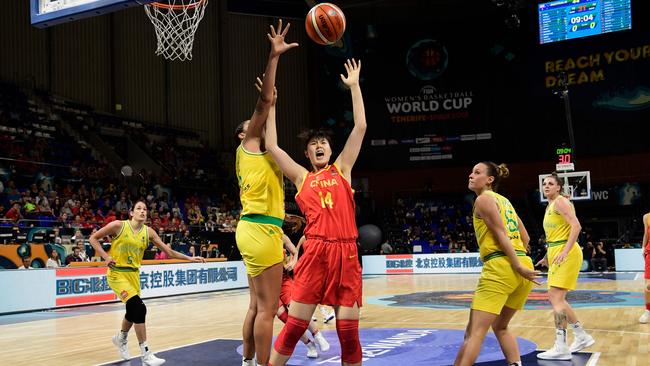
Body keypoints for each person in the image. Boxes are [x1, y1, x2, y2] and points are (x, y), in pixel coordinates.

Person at [267, 58, 366, 366]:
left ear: (330, 149)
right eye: (313, 144)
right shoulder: (302, 177)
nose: (319, 145)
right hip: (316, 254)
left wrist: (354, 87)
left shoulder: (343, 169)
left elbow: (360, 126)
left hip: (346, 254)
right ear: (307, 153)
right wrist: (270, 105)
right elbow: (272, 145)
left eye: (323, 142)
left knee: (348, 334)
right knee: (295, 326)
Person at [234, 19, 298, 366]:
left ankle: (246, 361)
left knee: (256, 305)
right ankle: (261, 364)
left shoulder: (252, 155)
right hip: (260, 231)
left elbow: (267, 108)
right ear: (244, 134)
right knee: (269, 310)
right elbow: (263, 102)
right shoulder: (250, 142)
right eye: (251, 124)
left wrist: (272, 104)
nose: (255, 122)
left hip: (254, 226)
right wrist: (273, 58)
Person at [89, 201, 205, 366]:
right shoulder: (118, 226)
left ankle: (120, 338)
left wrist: (190, 258)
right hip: (117, 274)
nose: (143, 211)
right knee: (139, 308)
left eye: (145, 209)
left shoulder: (149, 232)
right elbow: (93, 238)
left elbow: (169, 251)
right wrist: (106, 257)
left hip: (134, 275)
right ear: (131, 212)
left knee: (132, 310)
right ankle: (146, 354)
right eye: (139, 208)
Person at [454, 162, 538, 366]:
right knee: (500, 326)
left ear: (490, 179)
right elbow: (525, 237)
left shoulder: (483, 199)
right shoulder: (505, 201)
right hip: (522, 264)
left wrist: (515, 265)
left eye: (477, 172)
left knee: (473, 334)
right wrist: (520, 263)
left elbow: (501, 234)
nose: (471, 175)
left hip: (503, 265)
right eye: (471, 171)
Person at [535, 173, 594, 360]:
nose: (546, 186)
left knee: (555, 297)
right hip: (556, 251)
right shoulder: (550, 206)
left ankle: (561, 345)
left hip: (566, 252)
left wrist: (565, 251)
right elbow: (555, 235)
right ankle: (581, 336)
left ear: (559, 187)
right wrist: (546, 256)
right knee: (558, 298)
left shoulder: (561, 202)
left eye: (550, 184)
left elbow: (576, 226)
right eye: (544, 184)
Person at [276, 235, 330, 358]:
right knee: (287, 320)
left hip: (284, 282)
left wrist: (292, 262)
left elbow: (295, 252)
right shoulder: (256, 237)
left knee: (297, 311)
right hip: (268, 287)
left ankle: (317, 335)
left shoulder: (281, 236)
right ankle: (309, 345)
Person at [639, 212, 650, 323]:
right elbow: (646, 234)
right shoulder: (646, 217)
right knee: (648, 286)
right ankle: (648, 311)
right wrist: (643, 248)